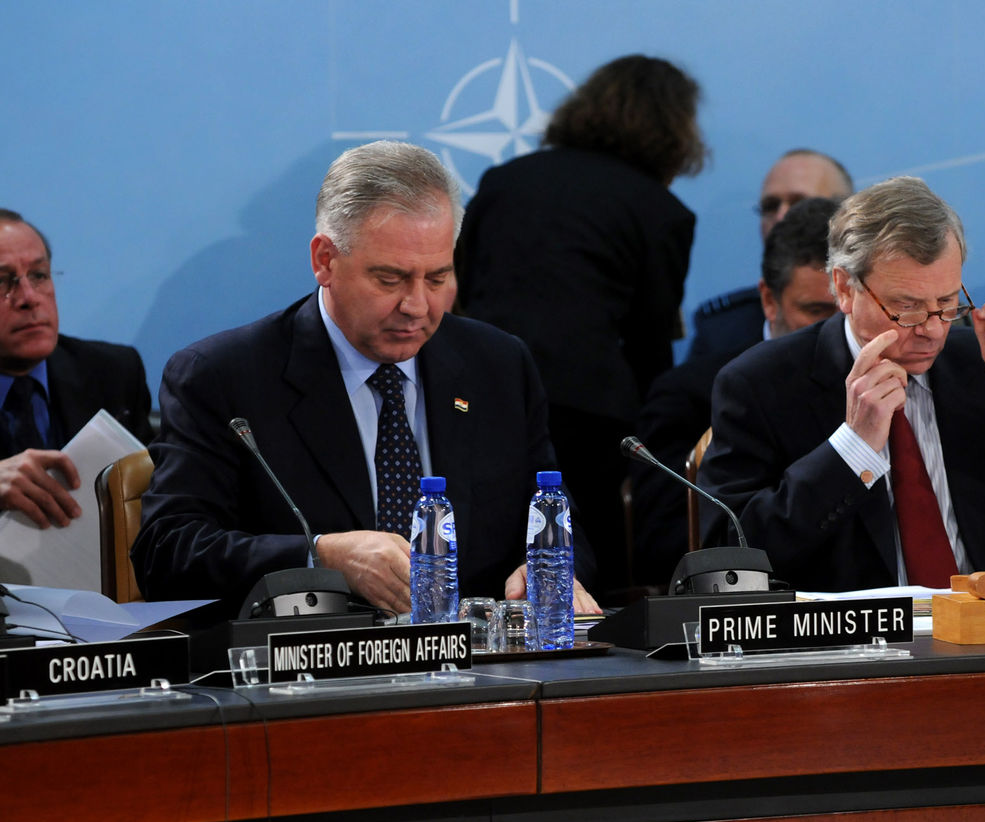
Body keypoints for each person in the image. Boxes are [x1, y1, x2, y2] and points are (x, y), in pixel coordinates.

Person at [133, 141, 599, 620]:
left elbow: (557, 523)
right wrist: (321, 556)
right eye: (390, 279)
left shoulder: (497, 365)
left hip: (481, 670)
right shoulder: (223, 377)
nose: (417, 305)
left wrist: (548, 570)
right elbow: (167, 553)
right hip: (309, 674)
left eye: (437, 278)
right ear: (325, 261)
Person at [698, 176, 985, 591]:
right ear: (845, 288)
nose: (933, 330)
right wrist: (853, 449)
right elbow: (729, 561)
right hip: (853, 650)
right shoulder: (760, 383)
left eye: (946, 304)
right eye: (907, 308)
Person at [455, 54, 706, 599]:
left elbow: (458, 296)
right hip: (593, 415)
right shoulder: (660, 211)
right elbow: (650, 341)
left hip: (481, 394)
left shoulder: (504, 181)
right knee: (590, 562)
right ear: (674, 129)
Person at [630, 197, 840, 583]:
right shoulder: (691, 396)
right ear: (768, 300)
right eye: (817, 311)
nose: (838, 329)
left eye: (849, 309)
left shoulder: (905, 376)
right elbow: (667, 547)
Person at [0, 209, 153, 528]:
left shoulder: (113, 373)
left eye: (39, 275)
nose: (29, 298)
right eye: (3, 282)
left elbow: (157, 503)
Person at [686, 149, 853, 361]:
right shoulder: (722, 332)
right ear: (769, 300)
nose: (782, 216)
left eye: (801, 203)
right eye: (770, 206)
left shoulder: (891, 314)